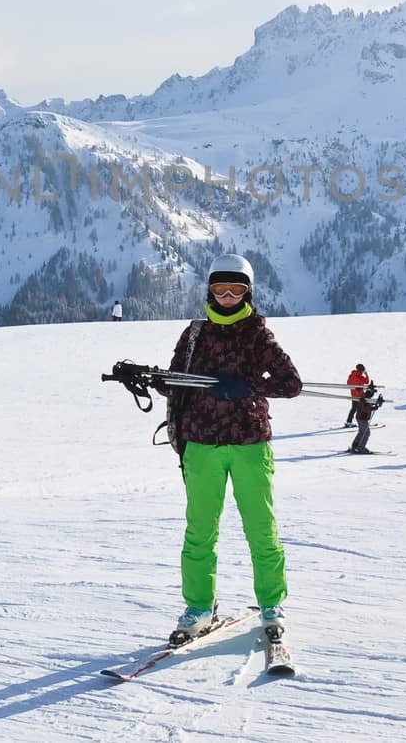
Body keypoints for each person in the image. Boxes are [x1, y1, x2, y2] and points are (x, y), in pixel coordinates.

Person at [158, 254, 302, 648]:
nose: (226, 296)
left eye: (235, 289)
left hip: (249, 444)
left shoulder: (258, 335)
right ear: (208, 290)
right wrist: (156, 381)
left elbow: (291, 384)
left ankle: (272, 604)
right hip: (201, 444)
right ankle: (199, 608)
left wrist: (248, 386)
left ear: (248, 292)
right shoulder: (194, 335)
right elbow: (177, 382)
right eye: (219, 288)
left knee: (261, 529)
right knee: (200, 531)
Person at [348, 381, 384, 455]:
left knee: (361, 432)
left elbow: (368, 405)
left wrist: (376, 404)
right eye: (372, 393)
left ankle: (355, 445)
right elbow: (365, 408)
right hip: (362, 417)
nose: (372, 394)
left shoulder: (365, 398)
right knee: (366, 433)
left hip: (360, 417)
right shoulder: (364, 399)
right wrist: (374, 407)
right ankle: (361, 448)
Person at [342, 363, 370, 428]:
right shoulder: (360, 377)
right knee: (362, 408)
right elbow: (367, 382)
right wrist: (366, 374)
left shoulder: (351, 375)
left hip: (354, 395)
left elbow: (348, 383)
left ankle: (349, 422)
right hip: (360, 396)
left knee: (354, 409)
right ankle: (362, 422)